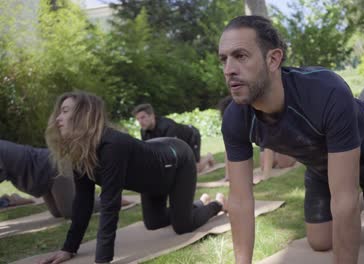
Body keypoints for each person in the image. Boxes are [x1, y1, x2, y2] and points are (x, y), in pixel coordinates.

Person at [218, 16, 364, 264]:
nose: (229, 69)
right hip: (323, 162)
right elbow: (240, 200)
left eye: (240, 56)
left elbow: (344, 198)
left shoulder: (325, 90)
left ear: (273, 59)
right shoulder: (234, 118)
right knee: (320, 241)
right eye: (224, 59)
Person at [40, 91, 226, 264]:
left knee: (183, 226)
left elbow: (110, 205)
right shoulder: (81, 152)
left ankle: (217, 204)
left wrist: (102, 260)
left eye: (65, 111)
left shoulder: (112, 145)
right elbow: (83, 201)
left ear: (84, 115)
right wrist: (69, 248)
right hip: (152, 174)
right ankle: (195, 205)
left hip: (177, 162)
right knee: (153, 223)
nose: (58, 118)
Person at [0, 139, 93, 218]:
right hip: (40, 176)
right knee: (57, 213)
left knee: (70, 211)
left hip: (53, 165)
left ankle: (105, 202)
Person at [217, 96, 296, 183]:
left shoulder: (256, 116)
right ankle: (273, 161)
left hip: (281, 139)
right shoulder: (232, 125)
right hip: (269, 142)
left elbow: (268, 143)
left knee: (283, 163)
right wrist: (228, 176)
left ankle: (286, 157)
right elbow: (229, 149)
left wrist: (266, 176)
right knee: (263, 165)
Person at [132, 103, 216, 173]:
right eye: (138, 119)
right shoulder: (144, 131)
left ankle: (208, 157)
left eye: (143, 117)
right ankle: (199, 160)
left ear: (152, 116)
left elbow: (173, 152)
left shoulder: (167, 126)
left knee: (195, 170)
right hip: (177, 142)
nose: (140, 121)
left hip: (191, 136)